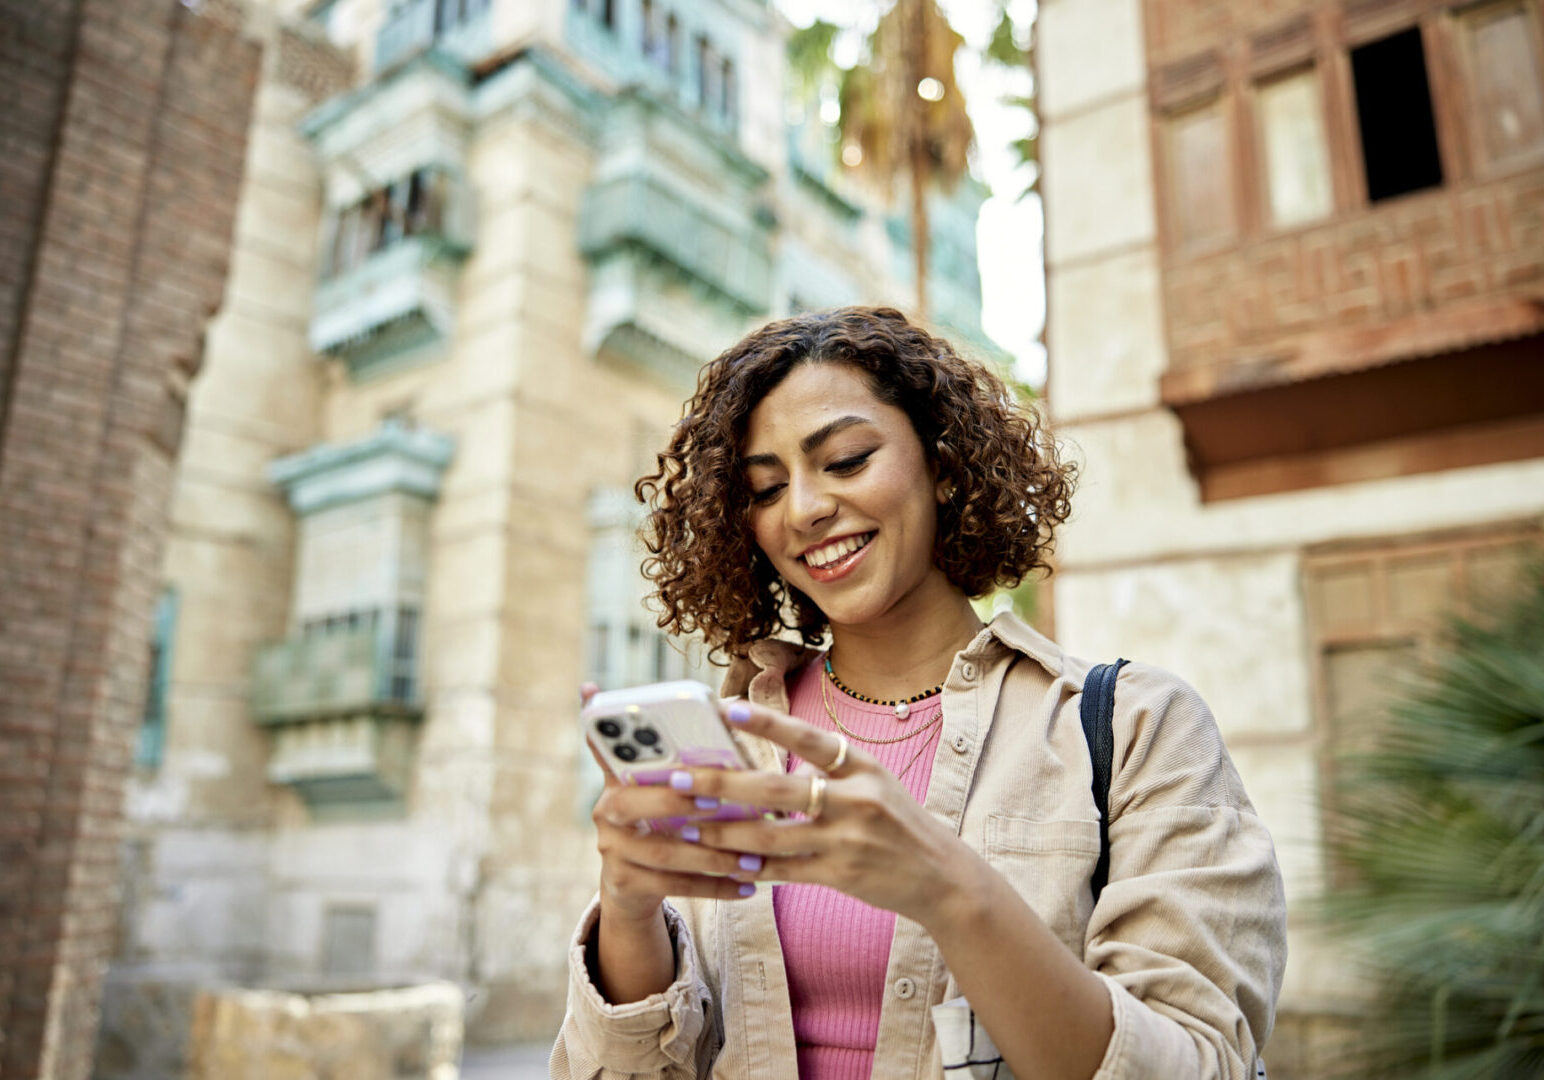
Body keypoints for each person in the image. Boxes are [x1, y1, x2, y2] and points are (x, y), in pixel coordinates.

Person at [551, 307, 1287, 1080]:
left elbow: (1203, 1063)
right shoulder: (734, 743)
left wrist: (947, 888)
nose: (803, 509)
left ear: (941, 462)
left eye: (845, 460)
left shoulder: (1134, 728)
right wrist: (629, 914)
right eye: (766, 490)